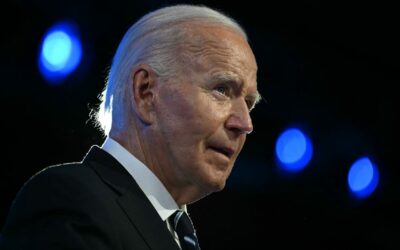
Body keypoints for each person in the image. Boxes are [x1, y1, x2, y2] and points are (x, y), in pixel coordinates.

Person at [0, 4, 260, 250]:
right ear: (145, 93)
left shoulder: (177, 233)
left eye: (249, 103)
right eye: (222, 90)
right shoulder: (70, 201)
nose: (244, 123)